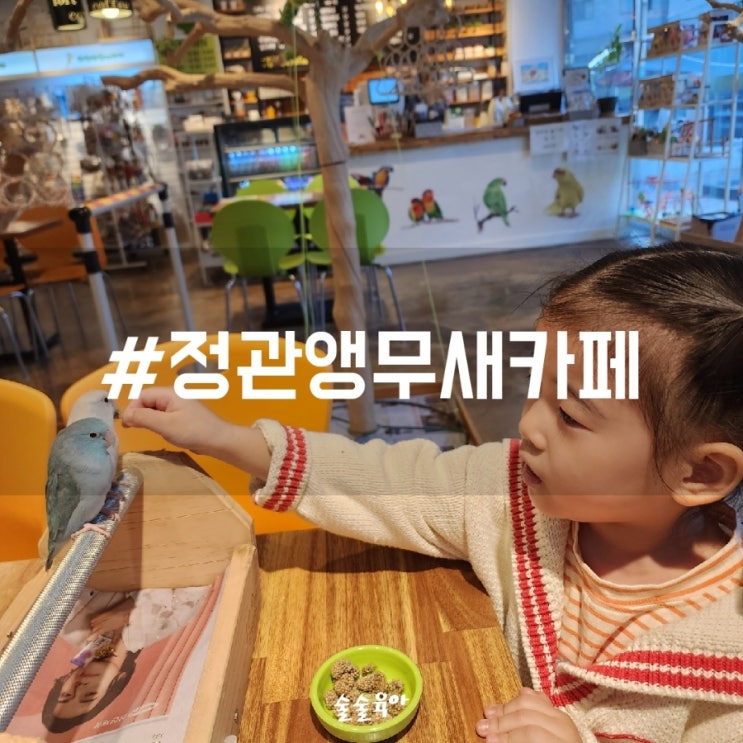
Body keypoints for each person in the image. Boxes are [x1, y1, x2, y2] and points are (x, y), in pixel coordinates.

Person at [122, 243, 743, 743]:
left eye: (571, 415)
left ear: (701, 474)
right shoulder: (511, 495)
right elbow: (390, 482)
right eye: (536, 390)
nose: (528, 425)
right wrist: (223, 438)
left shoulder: (726, 651)